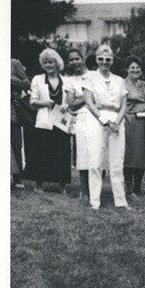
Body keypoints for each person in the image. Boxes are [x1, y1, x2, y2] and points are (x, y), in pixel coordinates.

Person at [81, 43, 129, 211]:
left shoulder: (119, 80)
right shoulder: (90, 78)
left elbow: (124, 105)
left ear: (112, 61)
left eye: (108, 59)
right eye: (101, 59)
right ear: (96, 60)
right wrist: (103, 120)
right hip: (96, 120)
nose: (104, 62)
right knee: (95, 162)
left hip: (116, 121)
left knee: (117, 162)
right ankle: (95, 202)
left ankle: (121, 201)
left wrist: (117, 122)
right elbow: (89, 102)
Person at [25, 48, 72, 192]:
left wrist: (66, 105)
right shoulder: (38, 79)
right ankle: (38, 184)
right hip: (44, 120)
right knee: (41, 152)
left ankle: (61, 185)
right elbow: (32, 101)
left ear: (57, 63)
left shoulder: (66, 80)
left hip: (61, 121)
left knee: (61, 152)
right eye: (45, 62)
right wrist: (45, 103)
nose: (48, 65)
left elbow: (71, 97)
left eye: (51, 62)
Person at [63, 48, 92, 199]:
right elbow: (71, 104)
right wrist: (88, 96)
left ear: (83, 58)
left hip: (97, 117)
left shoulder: (94, 75)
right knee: (83, 155)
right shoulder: (70, 81)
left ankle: (96, 188)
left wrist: (82, 97)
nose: (75, 62)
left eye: (77, 58)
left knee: (98, 154)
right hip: (81, 119)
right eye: (71, 60)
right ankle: (85, 190)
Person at [123, 56, 145, 198]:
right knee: (129, 154)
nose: (135, 70)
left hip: (142, 121)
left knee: (141, 154)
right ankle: (128, 187)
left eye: (137, 67)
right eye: (132, 67)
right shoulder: (122, 84)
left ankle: (137, 187)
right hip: (128, 120)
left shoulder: (143, 84)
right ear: (127, 69)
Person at [10, 58, 30, 189]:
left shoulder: (14, 63)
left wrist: (10, 79)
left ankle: (17, 178)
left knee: (15, 144)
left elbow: (26, 83)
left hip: (11, 110)